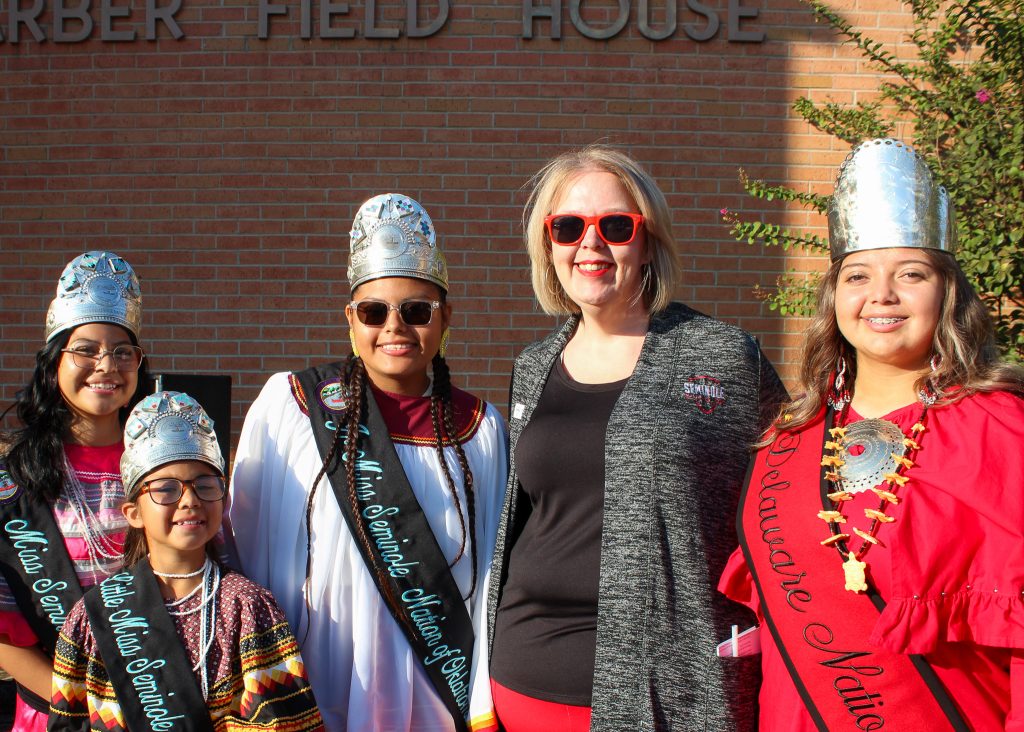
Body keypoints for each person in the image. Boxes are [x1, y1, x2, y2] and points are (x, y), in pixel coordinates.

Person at [718, 138, 1024, 730]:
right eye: (858, 275)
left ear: (947, 293)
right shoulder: (789, 437)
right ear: (835, 298)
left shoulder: (1002, 431)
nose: (881, 295)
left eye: (910, 274)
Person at [486, 145, 788, 731]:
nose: (590, 245)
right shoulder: (533, 365)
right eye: (568, 227)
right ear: (547, 245)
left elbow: (782, 497)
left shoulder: (721, 356)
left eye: (616, 226)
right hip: (524, 680)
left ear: (647, 240)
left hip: (671, 690)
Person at [229, 194, 509, 732]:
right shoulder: (292, 407)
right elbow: (246, 545)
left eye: (417, 311)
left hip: (435, 694)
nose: (395, 328)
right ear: (350, 320)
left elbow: (493, 575)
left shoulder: (480, 428)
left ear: (446, 317)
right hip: (320, 682)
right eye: (374, 311)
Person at [48, 391, 323, 731]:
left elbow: (282, 721)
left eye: (205, 485)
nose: (190, 500)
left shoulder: (246, 606)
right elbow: (69, 720)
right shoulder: (95, 615)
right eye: (166, 489)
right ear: (133, 512)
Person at [0, 251, 151, 731]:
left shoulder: (166, 462)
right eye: (85, 349)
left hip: (159, 704)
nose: (106, 365)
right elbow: (4, 633)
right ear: (53, 363)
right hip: (58, 715)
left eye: (121, 351)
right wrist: (91, 709)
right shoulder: (14, 479)